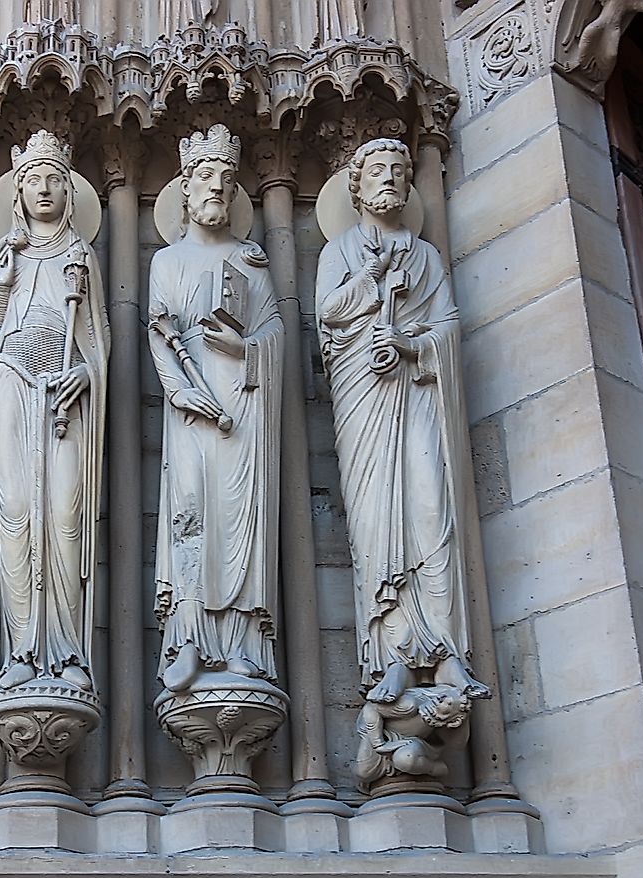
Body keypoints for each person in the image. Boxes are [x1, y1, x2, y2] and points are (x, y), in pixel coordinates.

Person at [315, 138, 489, 707]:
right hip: (365, 400)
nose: (389, 178)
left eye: (399, 170)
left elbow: (449, 326)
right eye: (378, 172)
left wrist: (412, 345)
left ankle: (444, 653)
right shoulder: (339, 251)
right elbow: (326, 314)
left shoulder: (426, 257)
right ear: (355, 186)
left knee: (431, 509)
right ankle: (390, 654)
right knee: (375, 522)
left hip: (415, 396)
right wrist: (370, 285)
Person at [0, 130, 109, 696]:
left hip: (63, 397)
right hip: (11, 385)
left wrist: (87, 373)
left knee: (66, 512)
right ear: (17, 191)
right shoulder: (3, 257)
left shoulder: (82, 257)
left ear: (70, 191)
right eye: (33, 180)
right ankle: (22, 645)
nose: (45, 189)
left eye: (55, 178)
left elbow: (98, 341)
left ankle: (68, 649)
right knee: (16, 511)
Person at [149, 124, 283, 693]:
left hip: (244, 407)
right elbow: (158, 332)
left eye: (226, 181)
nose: (215, 189)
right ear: (184, 188)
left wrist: (245, 348)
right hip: (192, 409)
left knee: (239, 518)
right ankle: (190, 639)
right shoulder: (166, 261)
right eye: (205, 177)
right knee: (192, 513)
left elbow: (276, 331)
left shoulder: (252, 263)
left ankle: (244, 643)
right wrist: (179, 387)